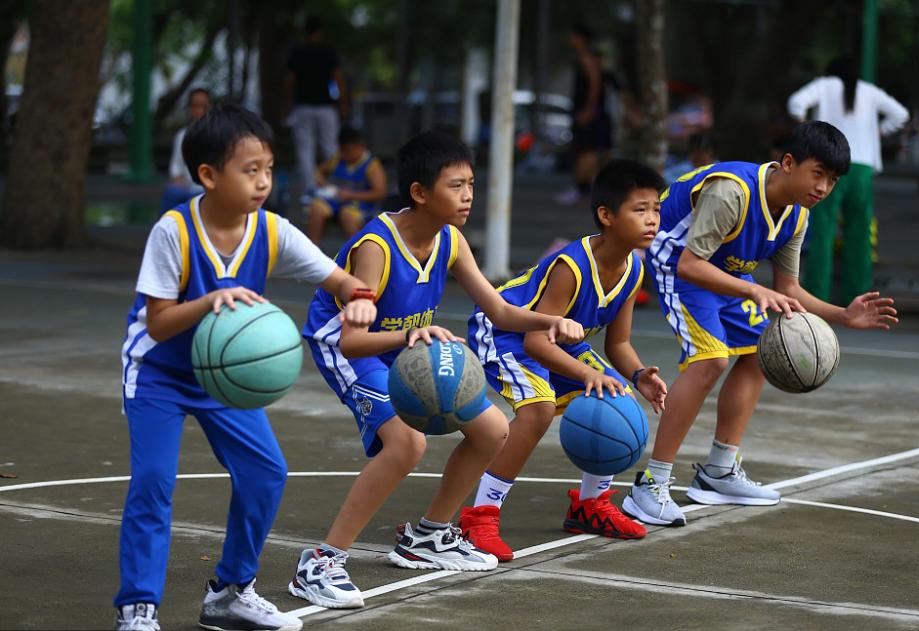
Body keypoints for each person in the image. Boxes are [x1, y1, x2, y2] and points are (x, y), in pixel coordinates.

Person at [288, 131, 585, 609]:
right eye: (456, 185)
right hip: (348, 348)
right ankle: (322, 560)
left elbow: (500, 311)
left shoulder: (450, 240)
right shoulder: (377, 248)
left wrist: (549, 320)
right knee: (407, 442)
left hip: (406, 347)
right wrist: (408, 336)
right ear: (420, 193)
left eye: (470, 183)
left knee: (490, 430)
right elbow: (350, 338)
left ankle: (428, 537)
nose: (468, 195)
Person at [114, 105, 377, 631]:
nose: (263, 182)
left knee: (265, 471)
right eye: (249, 169)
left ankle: (230, 593)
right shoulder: (175, 232)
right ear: (209, 175)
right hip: (160, 373)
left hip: (222, 377)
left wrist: (360, 299)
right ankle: (138, 609)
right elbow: (160, 323)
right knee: (152, 482)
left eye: (269, 169)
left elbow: (342, 280)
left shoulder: (273, 231)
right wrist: (215, 300)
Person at [625, 121, 898, 524]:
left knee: (761, 350)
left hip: (722, 271)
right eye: (817, 174)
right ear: (788, 163)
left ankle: (719, 471)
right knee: (711, 359)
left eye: (833, 180)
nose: (823, 188)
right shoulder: (733, 192)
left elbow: (789, 288)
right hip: (676, 260)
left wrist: (842, 315)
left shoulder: (798, 216)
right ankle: (651, 484)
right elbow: (690, 266)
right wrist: (753, 291)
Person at [457, 160, 670, 562]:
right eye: (639, 210)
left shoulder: (633, 270)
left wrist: (639, 376)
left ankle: (589, 506)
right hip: (506, 332)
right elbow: (536, 342)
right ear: (607, 216)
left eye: (656, 209)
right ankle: (479, 516)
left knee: (615, 395)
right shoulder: (571, 267)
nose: (652, 219)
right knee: (537, 411)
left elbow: (619, 343)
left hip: (554, 339)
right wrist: (589, 373)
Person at [787, 56, 909, 304]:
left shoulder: (825, 85)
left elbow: (796, 103)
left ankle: (815, 295)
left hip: (829, 165)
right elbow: (901, 114)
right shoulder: (870, 91)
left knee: (822, 231)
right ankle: (859, 296)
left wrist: (809, 131)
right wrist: (879, 131)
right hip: (862, 169)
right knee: (860, 233)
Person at [285, 14, 349, 199]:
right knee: (331, 148)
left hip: (303, 106)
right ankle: (334, 189)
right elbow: (338, 79)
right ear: (321, 31)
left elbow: (289, 82)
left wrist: (288, 105)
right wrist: (343, 103)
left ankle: (310, 191)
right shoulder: (328, 52)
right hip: (326, 107)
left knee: (305, 151)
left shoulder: (297, 53)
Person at [556, 25, 613, 206]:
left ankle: (582, 188)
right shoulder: (581, 58)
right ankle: (583, 188)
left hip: (588, 112)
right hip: (582, 111)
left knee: (587, 150)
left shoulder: (588, 59)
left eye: (574, 35)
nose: (570, 39)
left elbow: (595, 83)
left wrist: (589, 108)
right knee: (583, 150)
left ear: (581, 39)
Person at [305, 126, 388, 245]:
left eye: (348, 151)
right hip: (336, 199)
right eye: (342, 151)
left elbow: (380, 193)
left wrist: (351, 195)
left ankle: (354, 254)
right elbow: (318, 171)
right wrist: (322, 181)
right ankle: (313, 252)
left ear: (360, 147)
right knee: (316, 208)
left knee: (346, 214)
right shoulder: (338, 158)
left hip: (360, 205)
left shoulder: (372, 166)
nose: (345, 155)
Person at [160, 88, 211, 215]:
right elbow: (176, 168)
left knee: (195, 199)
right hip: (186, 186)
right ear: (189, 108)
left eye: (203, 106)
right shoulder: (182, 135)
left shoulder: (219, 135)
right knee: (172, 193)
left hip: (208, 188)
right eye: (195, 106)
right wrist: (177, 179)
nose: (199, 110)